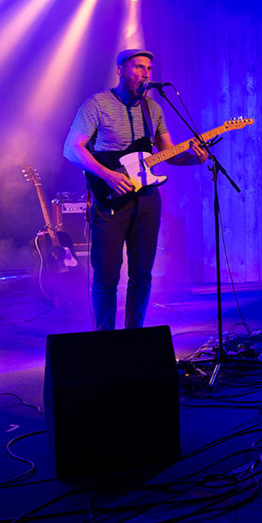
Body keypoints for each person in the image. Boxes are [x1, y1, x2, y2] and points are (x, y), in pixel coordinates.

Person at [63, 48, 209, 331]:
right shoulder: (97, 104)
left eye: (149, 69)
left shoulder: (153, 109)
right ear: (120, 70)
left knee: (142, 274)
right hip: (111, 200)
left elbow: (169, 154)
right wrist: (107, 175)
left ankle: (135, 338)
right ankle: (105, 340)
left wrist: (194, 157)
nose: (146, 73)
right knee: (107, 275)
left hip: (147, 201)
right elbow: (71, 148)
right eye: (139, 67)